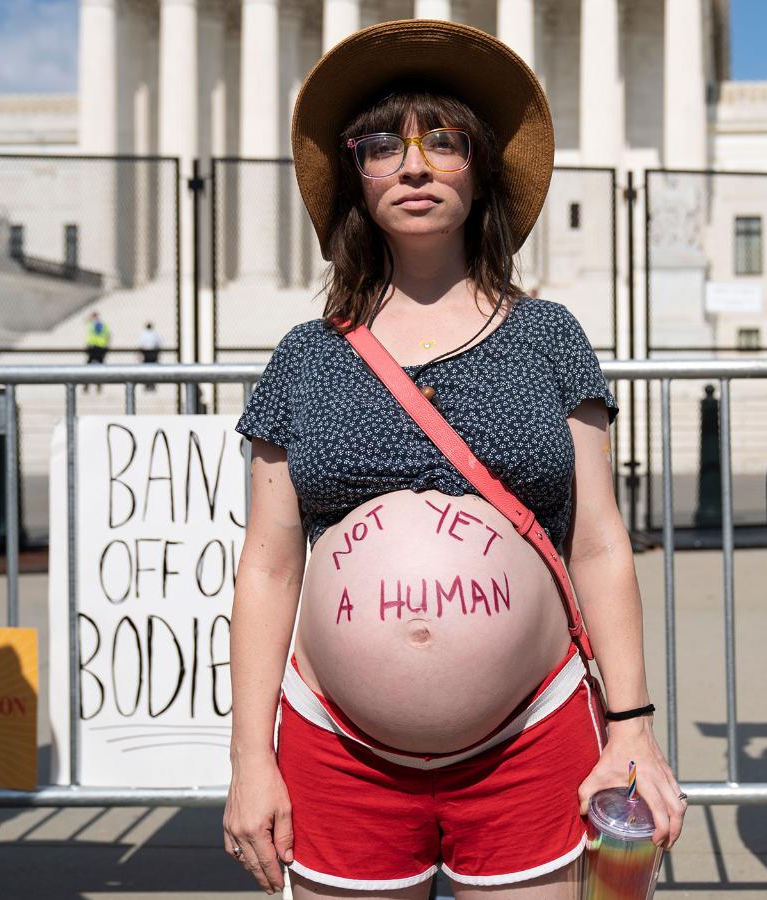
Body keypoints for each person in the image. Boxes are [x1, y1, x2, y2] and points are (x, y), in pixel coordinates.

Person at [222, 20, 683, 899]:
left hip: (534, 735)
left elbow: (597, 542)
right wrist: (251, 758)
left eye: (445, 140)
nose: (416, 165)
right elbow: (271, 568)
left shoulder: (550, 337)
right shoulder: (304, 358)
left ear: (481, 171)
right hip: (336, 747)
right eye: (383, 146)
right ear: (356, 178)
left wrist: (631, 729)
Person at [84, 311, 110, 393]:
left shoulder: (92, 325)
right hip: (101, 347)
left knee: (88, 367)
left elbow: (86, 321)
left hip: (93, 347)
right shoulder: (103, 325)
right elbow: (108, 336)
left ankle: (86, 385)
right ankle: (98, 384)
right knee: (100, 367)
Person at [137, 322, 162, 392]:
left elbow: (140, 344)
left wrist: (139, 354)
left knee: (147, 369)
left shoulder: (144, 334)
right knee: (153, 369)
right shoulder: (155, 334)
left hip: (146, 353)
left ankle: (148, 384)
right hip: (153, 353)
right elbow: (159, 343)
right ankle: (151, 384)